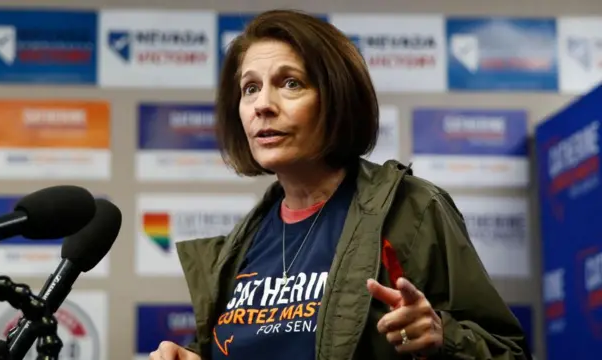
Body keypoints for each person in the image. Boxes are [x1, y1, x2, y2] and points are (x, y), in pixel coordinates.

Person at [149, 9, 531, 360]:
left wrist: (441, 336)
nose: (262, 104)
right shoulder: (242, 244)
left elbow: (509, 353)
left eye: (291, 83)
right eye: (250, 88)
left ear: (336, 98)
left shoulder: (413, 211)